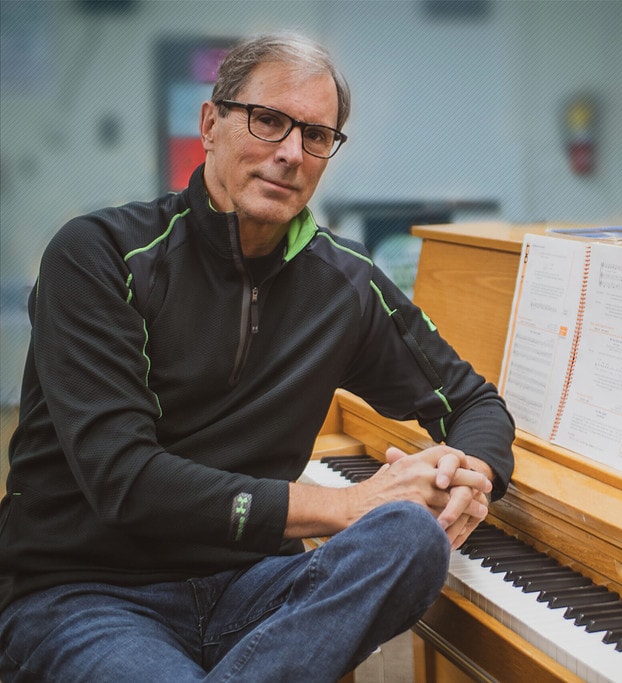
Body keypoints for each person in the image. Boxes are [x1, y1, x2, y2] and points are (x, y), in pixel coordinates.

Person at [0, 32, 515, 682]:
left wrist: (470, 479)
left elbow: (472, 401)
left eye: (316, 135)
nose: (291, 153)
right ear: (210, 123)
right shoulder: (98, 255)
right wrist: (351, 505)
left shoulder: (345, 283)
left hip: (251, 584)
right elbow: (125, 481)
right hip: (86, 590)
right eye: (269, 121)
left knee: (410, 540)